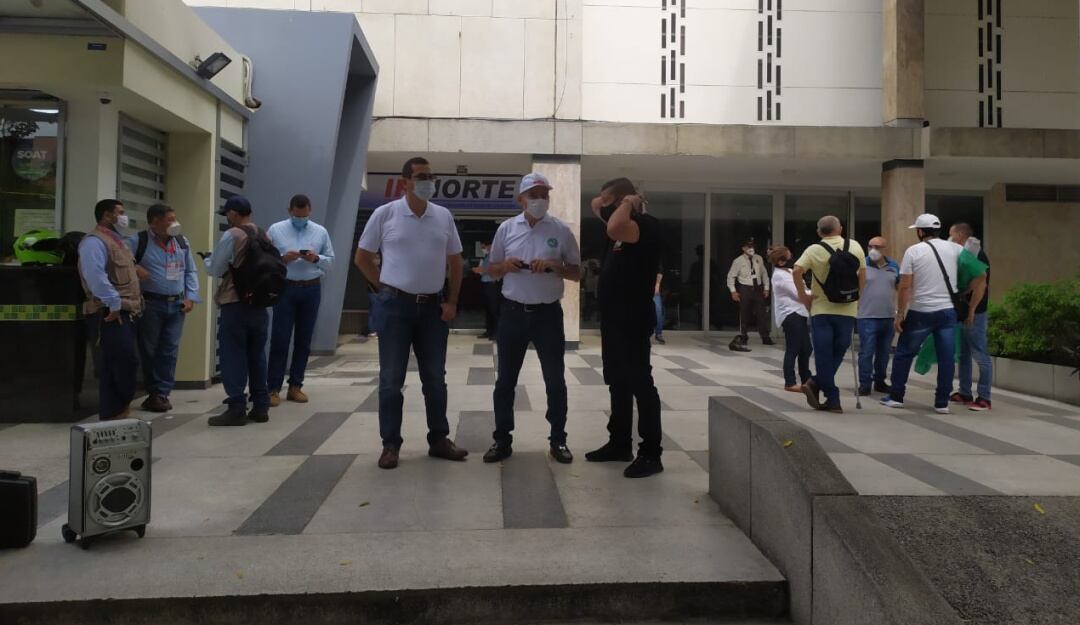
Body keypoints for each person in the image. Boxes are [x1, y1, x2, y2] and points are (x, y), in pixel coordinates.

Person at [354, 156, 469, 470]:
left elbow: (455, 262)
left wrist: (452, 301)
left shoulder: (443, 216)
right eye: (421, 176)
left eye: (431, 176)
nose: (428, 182)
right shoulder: (385, 214)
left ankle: (439, 439)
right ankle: (390, 444)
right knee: (391, 380)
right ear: (404, 182)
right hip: (395, 308)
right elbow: (362, 257)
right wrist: (383, 289)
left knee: (435, 379)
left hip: (433, 309)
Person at [480, 173, 580, 465]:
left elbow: (577, 272)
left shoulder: (561, 230)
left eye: (544, 195)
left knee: (555, 380)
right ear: (521, 200)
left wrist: (554, 266)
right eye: (533, 195)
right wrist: (505, 266)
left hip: (548, 315)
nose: (539, 200)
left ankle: (558, 439)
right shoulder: (506, 229)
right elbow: (490, 270)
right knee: (505, 381)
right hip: (512, 314)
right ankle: (502, 439)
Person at [584, 178, 665, 479]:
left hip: (633, 317)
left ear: (622, 202)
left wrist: (631, 201)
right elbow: (595, 205)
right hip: (613, 319)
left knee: (640, 383)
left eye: (609, 201)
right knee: (617, 381)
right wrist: (612, 201)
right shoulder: (616, 223)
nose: (602, 206)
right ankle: (619, 443)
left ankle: (651, 453)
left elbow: (616, 227)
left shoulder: (646, 225)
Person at [881, 214, 986, 414]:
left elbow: (905, 285)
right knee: (946, 357)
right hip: (947, 312)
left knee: (904, 353)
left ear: (920, 231)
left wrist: (900, 313)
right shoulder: (956, 249)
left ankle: (896, 396)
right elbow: (981, 274)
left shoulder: (913, 251)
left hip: (920, 311)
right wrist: (963, 292)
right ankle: (941, 403)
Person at [203, 196, 273, 426]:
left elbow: (216, 269)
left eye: (227, 214)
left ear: (233, 213)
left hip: (235, 303)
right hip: (260, 305)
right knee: (257, 355)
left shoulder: (232, 235)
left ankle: (236, 408)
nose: (227, 217)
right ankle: (261, 405)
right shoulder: (264, 234)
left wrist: (207, 261)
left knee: (233, 355)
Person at [792, 216, 866, 413]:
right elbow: (863, 274)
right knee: (838, 352)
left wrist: (803, 296)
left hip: (821, 309)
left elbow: (797, 270)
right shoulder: (855, 246)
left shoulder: (814, 250)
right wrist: (858, 297)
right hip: (848, 309)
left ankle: (829, 395)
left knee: (823, 354)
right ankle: (820, 387)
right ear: (840, 229)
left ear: (819, 232)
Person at [266, 194, 335, 407]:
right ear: (290, 211)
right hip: (285, 288)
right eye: (297, 216)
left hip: (311, 288)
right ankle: (273, 388)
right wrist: (283, 259)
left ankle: (296, 386)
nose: (301, 219)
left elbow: (331, 262)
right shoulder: (275, 230)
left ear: (310, 211)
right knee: (280, 339)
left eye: (304, 216)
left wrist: (316, 258)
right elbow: (266, 260)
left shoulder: (320, 231)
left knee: (304, 340)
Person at [130, 203, 200, 413]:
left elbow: (190, 271)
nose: (175, 223)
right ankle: (153, 392)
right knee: (149, 350)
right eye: (170, 220)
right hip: (150, 304)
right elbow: (118, 262)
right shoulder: (138, 241)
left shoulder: (181, 242)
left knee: (169, 350)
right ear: (155, 222)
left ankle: (162, 393)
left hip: (177, 305)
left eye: (174, 218)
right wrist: (135, 267)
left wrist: (191, 297)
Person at [78, 199, 142, 420]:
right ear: (107, 215)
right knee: (122, 361)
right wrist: (113, 303)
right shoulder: (93, 242)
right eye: (120, 212)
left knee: (116, 363)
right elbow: (95, 276)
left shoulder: (118, 241)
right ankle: (114, 410)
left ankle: (115, 412)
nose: (124, 217)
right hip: (109, 312)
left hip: (126, 312)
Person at [948, 223, 993, 411]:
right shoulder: (964, 253)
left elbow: (981, 283)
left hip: (975, 312)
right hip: (963, 311)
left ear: (960, 234)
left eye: (951, 234)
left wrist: (972, 310)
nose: (949, 238)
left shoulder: (976, 254)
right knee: (964, 354)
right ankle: (965, 392)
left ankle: (984, 397)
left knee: (980, 354)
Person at [856, 236, 899, 397]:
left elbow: (900, 286)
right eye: (870, 246)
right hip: (866, 315)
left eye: (878, 247)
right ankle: (865, 383)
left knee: (884, 352)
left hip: (888, 315)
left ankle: (880, 381)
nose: (873, 250)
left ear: (885, 249)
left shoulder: (893, 266)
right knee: (866, 351)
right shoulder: (862, 265)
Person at [768, 246, 812, 393]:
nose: (793, 259)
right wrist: (816, 294)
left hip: (800, 313)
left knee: (806, 348)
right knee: (793, 348)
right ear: (781, 262)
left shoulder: (789, 271)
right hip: (790, 314)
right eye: (789, 257)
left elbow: (803, 289)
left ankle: (806, 379)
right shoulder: (780, 276)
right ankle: (790, 382)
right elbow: (799, 294)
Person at [727, 238, 773, 350]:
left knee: (761, 312)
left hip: (758, 288)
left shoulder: (758, 258)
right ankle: (743, 336)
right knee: (744, 313)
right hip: (745, 288)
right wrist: (733, 291)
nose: (751, 249)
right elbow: (731, 276)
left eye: (752, 246)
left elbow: (764, 274)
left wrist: (766, 288)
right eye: (748, 247)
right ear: (743, 248)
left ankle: (765, 336)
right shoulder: (738, 261)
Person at [473, 241, 501, 340]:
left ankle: (497, 332)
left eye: (484, 247)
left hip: (492, 284)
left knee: (494, 309)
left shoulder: (494, 257)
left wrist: (481, 270)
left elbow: (494, 269)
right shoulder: (486, 256)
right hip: (485, 283)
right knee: (488, 309)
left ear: (490, 245)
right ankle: (489, 331)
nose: (483, 249)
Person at [653, 270, 666, 345]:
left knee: (658, 310)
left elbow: (660, 271)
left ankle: (658, 333)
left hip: (654, 288)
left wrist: (657, 284)